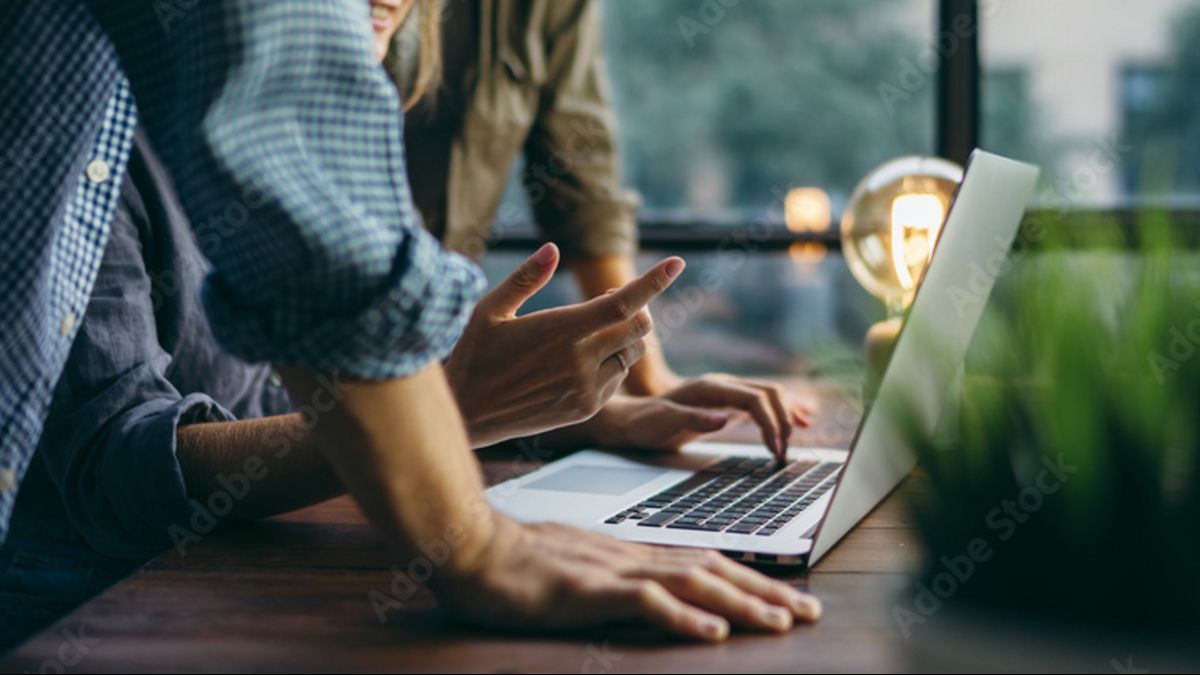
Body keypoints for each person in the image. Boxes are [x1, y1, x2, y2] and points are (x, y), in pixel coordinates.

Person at [0, 0, 817, 648]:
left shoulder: (342, 115)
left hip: (222, 584)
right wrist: (468, 504)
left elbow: (275, 420)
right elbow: (113, 465)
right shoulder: (106, 135)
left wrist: (568, 417)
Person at [378, 0, 809, 453]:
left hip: (412, 389)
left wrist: (629, 402)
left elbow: (582, 174)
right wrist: (446, 419)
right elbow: (379, 427)